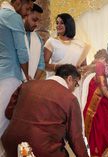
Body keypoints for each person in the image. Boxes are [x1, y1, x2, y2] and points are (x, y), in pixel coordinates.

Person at [1, 64, 89, 157]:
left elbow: (8, 113)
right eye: (76, 84)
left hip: (12, 144)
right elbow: (75, 138)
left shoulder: (27, 85)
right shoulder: (69, 99)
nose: (74, 89)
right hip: (41, 150)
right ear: (69, 79)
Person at [0, 0, 34, 140]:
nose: (27, 13)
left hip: (2, 71)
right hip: (11, 75)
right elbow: (22, 52)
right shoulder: (13, 16)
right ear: (19, 2)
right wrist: (27, 76)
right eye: (28, 8)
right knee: (3, 121)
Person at [44, 13, 90, 77]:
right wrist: (57, 67)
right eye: (57, 23)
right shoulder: (51, 42)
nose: (58, 25)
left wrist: (76, 71)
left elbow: (84, 66)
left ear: (69, 25)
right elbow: (43, 64)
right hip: (56, 81)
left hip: (75, 82)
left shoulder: (80, 45)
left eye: (62, 23)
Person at [24, 2, 45, 80]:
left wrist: (33, 82)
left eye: (38, 21)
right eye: (34, 20)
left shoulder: (38, 39)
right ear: (25, 15)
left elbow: (41, 65)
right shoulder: (12, 33)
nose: (37, 24)